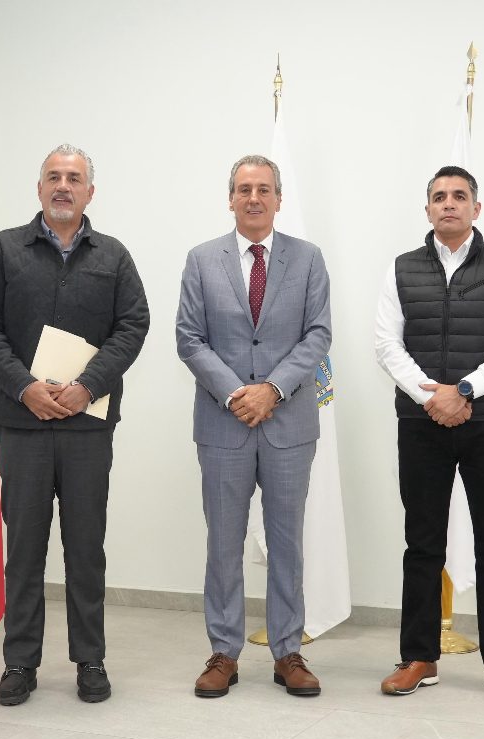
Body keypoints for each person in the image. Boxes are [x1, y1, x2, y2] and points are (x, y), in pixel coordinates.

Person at [0, 143, 150, 706]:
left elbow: (132, 326)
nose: (63, 186)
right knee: (24, 549)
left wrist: (87, 385)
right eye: (54, 176)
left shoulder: (114, 257)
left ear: (90, 192)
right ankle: (19, 662)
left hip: (86, 428)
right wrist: (25, 387)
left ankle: (90, 660)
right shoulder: (3, 251)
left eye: (74, 178)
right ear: (39, 188)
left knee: (85, 548)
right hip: (20, 425)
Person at [374, 165, 484, 702]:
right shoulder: (402, 268)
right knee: (422, 543)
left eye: (459, 196)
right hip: (422, 425)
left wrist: (464, 390)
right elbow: (387, 345)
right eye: (439, 196)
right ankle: (419, 657)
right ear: (427, 209)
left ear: (475, 208)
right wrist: (432, 398)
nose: (449, 204)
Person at [176, 154, 331, 698]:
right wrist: (236, 393)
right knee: (224, 543)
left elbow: (317, 334)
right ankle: (224, 651)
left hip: (289, 423)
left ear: (279, 199)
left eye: (264, 189)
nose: (254, 198)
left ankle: (288, 652)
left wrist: (273, 389)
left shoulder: (308, 258)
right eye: (244, 189)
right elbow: (189, 337)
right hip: (224, 424)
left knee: (287, 543)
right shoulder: (202, 260)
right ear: (231, 199)